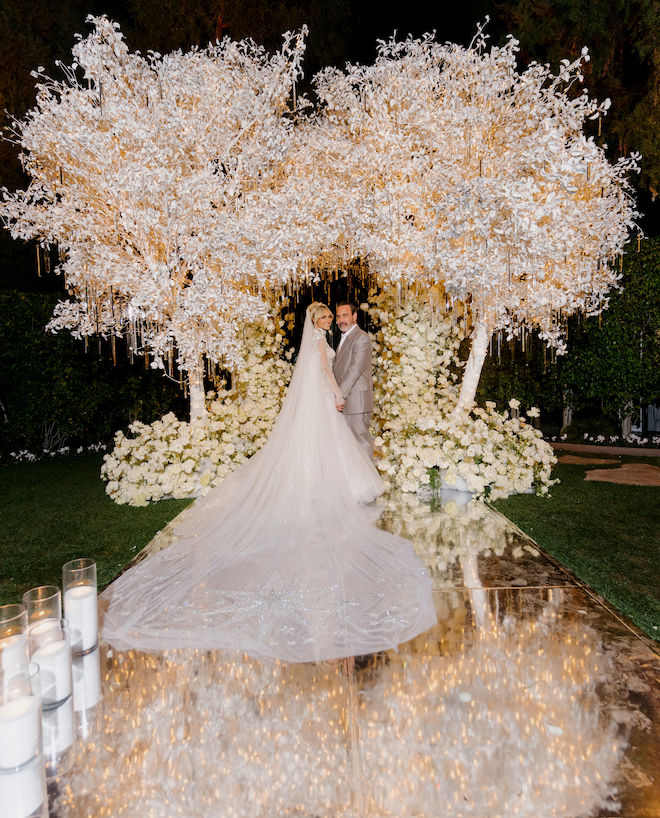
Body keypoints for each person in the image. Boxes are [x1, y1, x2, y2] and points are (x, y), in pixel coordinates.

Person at [101, 303, 436, 663]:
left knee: (341, 444)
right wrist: (336, 394)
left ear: (347, 318)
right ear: (318, 321)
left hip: (334, 400)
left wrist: (337, 392)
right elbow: (327, 371)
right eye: (325, 317)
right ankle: (333, 487)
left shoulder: (334, 339)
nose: (330, 321)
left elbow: (343, 370)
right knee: (334, 445)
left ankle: (336, 484)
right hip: (331, 401)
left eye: (334, 317)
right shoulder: (322, 341)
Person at [333, 302, 374, 461]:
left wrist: (339, 396)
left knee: (360, 442)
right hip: (345, 401)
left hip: (356, 400)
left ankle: (370, 483)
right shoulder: (345, 337)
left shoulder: (361, 338)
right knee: (348, 446)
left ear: (354, 316)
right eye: (338, 316)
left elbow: (354, 370)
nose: (341, 320)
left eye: (345, 315)